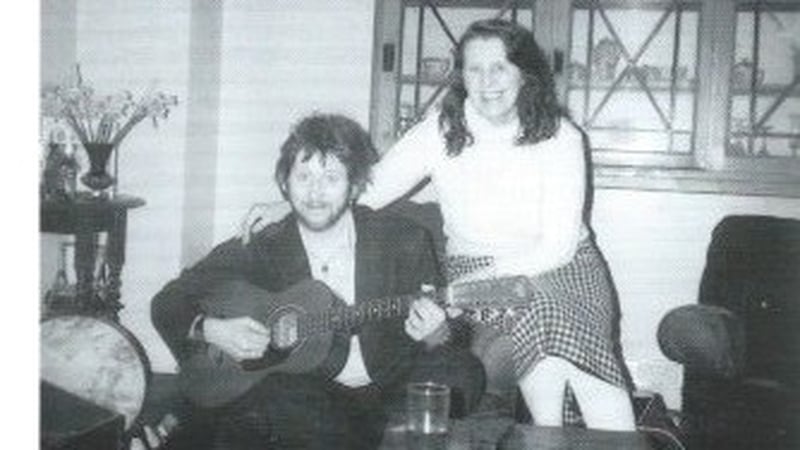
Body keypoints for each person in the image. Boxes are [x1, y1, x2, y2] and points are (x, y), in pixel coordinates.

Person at [357, 18, 636, 431]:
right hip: (475, 272)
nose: (487, 81)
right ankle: (556, 435)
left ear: (524, 73)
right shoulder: (440, 129)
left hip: (567, 269)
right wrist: (288, 205)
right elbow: (369, 190)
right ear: (461, 76)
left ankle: (607, 440)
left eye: (500, 67)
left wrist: (468, 286)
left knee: (544, 307)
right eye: (474, 69)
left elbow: (556, 248)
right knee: (539, 311)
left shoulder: (561, 137)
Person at [151, 113, 485, 449]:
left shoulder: (404, 239)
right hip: (308, 394)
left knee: (463, 371)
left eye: (331, 178)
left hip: (388, 388)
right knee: (278, 395)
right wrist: (211, 328)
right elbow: (167, 302)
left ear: (355, 186)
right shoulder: (263, 246)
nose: (315, 192)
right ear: (285, 183)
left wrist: (435, 333)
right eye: (304, 176)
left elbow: (449, 337)